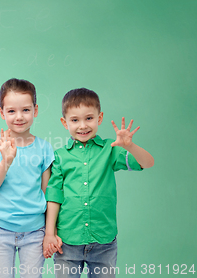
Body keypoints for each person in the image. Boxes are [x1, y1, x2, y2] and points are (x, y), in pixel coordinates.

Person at [43, 88, 155, 278]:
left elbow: (147, 163)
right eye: (75, 120)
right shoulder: (60, 157)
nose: (82, 126)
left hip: (104, 242)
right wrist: (49, 233)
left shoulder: (110, 150)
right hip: (68, 241)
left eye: (89, 118)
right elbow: (54, 196)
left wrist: (129, 146)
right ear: (65, 122)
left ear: (99, 118)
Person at [0, 78, 55, 278]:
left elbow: (47, 194)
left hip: (35, 231)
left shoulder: (44, 148)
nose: (19, 117)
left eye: (26, 110)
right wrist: (6, 161)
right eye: (11, 111)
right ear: (1, 112)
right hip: (0, 230)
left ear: (35, 110)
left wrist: (49, 232)